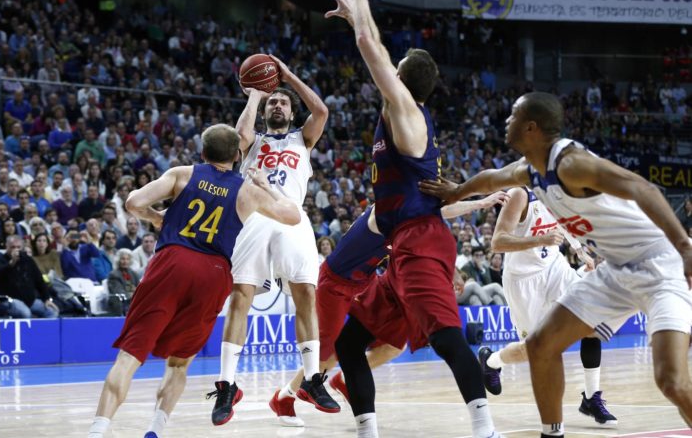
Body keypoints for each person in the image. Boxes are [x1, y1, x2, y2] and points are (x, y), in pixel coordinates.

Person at [420, 91, 692, 436]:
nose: (506, 121)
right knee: (541, 345)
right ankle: (553, 432)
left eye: (513, 116)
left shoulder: (571, 163)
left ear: (531, 127)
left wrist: (684, 246)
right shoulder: (529, 172)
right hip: (614, 271)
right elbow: (490, 178)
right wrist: (457, 191)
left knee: (670, 380)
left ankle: (591, 396)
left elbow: (645, 189)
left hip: (658, 266)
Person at [326, 1, 502, 437]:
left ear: (401, 78)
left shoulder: (404, 111)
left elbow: (371, 46)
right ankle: (368, 429)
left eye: (395, 67)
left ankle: (486, 429)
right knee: (348, 343)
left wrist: (361, 9)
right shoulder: (402, 115)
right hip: (403, 242)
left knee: (446, 338)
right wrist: (357, 18)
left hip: (419, 241)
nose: (389, 70)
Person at [87, 124, 301, 438]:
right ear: (238, 156)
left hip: (172, 262)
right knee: (178, 363)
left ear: (203, 152)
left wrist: (156, 217)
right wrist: (265, 185)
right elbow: (292, 216)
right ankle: (155, 430)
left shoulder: (182, 173)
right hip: (213, 274)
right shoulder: (247, 189)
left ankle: (98, 431)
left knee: (129, 357)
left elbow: (133, 202)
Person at [270, 193, 509, 427]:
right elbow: (437, 211)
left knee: (394, 345)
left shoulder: (401, 213)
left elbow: (435, 213)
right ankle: (285, 397)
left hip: (365, 281)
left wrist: (480, 203)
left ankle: (343, 380)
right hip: (336, 283)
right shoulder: (385, 212)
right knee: (328, 355)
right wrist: (477, 202)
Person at [212, 54, 332, 426]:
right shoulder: (251, 142)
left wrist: (286, 76)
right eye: (273, 101)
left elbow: (322, 110)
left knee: (307, 296)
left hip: (292, 216)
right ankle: (227, 385)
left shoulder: (303, 138)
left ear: (291, 113)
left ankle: (311, 378)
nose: (277, 105)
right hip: (254, 219)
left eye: (283, 102)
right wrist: (254, 94)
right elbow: (238, 138)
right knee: (240, 298)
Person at [477, 186, 619, 426]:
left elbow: (562, 221)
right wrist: (540, 239)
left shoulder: (556, 189)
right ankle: (491, 361)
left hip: (555, 268)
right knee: (533, 350)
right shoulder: (520, 194)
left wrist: (578, 249)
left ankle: (591, 397)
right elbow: (498, 242)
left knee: (592, 318)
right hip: (523, 279)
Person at [0, 235, 59, 319]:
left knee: (52, 311)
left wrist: (47, 299)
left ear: (22, 247)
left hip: (29, 300)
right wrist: (11, 263)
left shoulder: (28, 260)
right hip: (8, 300)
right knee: (25, 313)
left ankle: (43, 332)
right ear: (7, 246)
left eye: (18, 247)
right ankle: (28, 332)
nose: (16, 249)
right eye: (12, 247)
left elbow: (39, 281)